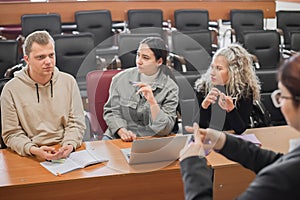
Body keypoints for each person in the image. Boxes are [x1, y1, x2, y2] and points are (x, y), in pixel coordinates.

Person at [180, 53, 300, 199]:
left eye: (282, 95)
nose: (279, 102)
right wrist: (224, 141)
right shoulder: (289, 166)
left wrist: (192, 166)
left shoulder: (280, 177)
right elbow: (276, 161)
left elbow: (281, 167)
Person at [1, 31, 85, 160]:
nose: (48, 62)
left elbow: (76, 123)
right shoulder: (11, 89)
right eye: (41, 57)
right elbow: (12, 134)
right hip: (30, 153)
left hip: (65, 150)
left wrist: (69, 144)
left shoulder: (69, 82)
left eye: (51, 55)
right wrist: (33, 149)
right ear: (27, 59)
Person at [103, 36, 179, 141]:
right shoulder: (120, 79)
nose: (139, 61)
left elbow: (165, 129)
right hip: (118, 136)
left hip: (152, 139)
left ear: (159, 62)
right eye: (138, 55)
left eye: (145, 58)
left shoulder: (170, 87)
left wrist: (152, 102)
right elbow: (111, 111)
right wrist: (121, 130)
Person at [195, 43, 260, 134]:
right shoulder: (202, 87)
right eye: (212, 67)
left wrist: (231, 110)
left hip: (233, 141)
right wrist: (204, 107)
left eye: (219, 68)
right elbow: (197, 129)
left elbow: (240, 129)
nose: (212, 73)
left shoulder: (245, 91)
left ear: (233, 71)